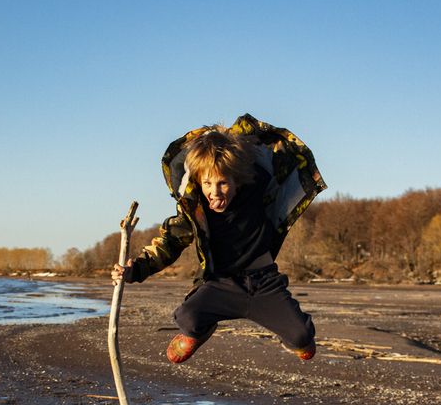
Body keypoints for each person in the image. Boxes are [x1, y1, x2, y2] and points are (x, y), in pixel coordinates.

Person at [112, 113, 326, 364]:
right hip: (220, 284)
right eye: (207, 183)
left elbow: (258, 146)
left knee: (303, 341)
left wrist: (233, 140)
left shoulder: (259, 187)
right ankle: (201, 331)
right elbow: (170, 242)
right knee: (187, 318)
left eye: (223, 183)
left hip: (264, 283)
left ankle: (294, 333)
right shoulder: (195, 210)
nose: (215, 192)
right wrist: (134, 269)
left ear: (238, 180)